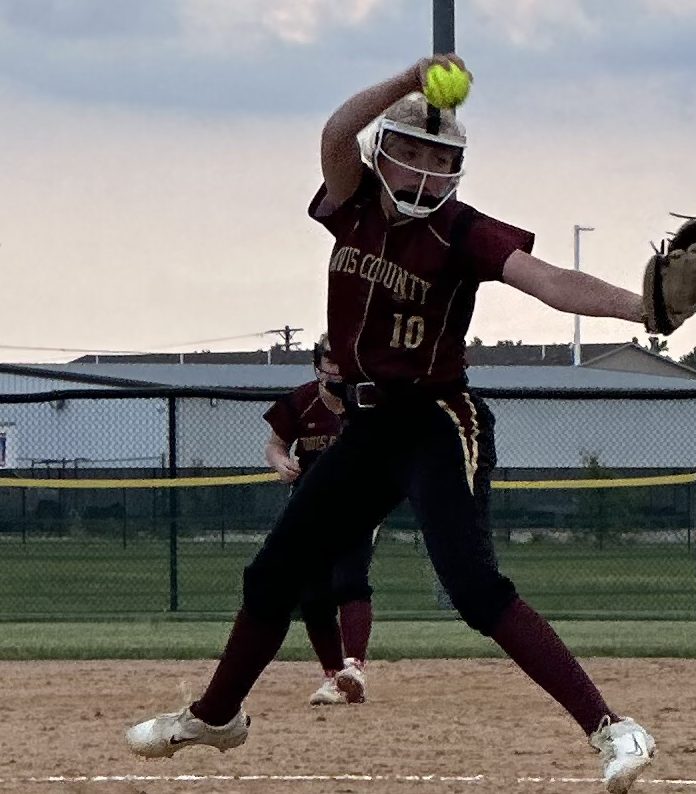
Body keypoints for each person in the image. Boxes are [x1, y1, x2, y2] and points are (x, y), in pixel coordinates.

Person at [127, 54, 657, 793]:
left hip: (437, 420)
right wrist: (409, 80)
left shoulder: (461, 230)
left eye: (442, 160)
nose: (426, 171)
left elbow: (548, 281)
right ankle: (217, 717)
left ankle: (612, 729)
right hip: (369, 429)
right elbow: (336, 131)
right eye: (412, 151)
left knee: (474, 588)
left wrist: (644, 308)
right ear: (383, 152)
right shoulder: (352, 204)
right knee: (273, 574)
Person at [263, 333, 377, 705]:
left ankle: (353, 667)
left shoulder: (370, 400)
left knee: (349, 580)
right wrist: (281, 463)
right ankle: (334, 677)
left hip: (359, 506)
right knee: (312, 595)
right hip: (310, 509)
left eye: (344, 358)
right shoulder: (302, 401)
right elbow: (276, 444)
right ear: (318, 363)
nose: (337, 367)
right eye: (330, 358)